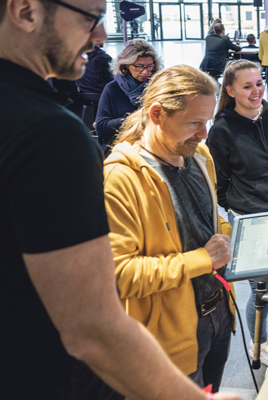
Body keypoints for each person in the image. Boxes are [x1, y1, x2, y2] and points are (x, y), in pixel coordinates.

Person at [0, 0, 240, 397]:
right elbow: (94, 324)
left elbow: (210, 216)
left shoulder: (200, 156)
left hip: (210, 315)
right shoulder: (50, 136)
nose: (100, 36)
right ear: (25, 12)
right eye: (91, 17)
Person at [104, 64, 238, 392]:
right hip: (169, 336)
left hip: (219, 311)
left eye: (206, 121)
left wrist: (232, 235)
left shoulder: (200, 156)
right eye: (194, 123)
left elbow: (210, 217)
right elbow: (122, 276)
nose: (204, 133)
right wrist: (202, 260)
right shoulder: (121, 179)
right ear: (157, 114)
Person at [206, 60, 268, 367]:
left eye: (259, 83)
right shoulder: (221, 131)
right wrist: (244, 203)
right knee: (263, 292)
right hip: (251, 220)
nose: (256, 91)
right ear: (231, 90)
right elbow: (219, 184)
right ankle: (261, 345)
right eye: (247, 86)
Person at [96, 39, 161, 151]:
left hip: (152, 147)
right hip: (121, 148)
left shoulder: (157, 86)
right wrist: (137, 119)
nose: (145, 72)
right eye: (139, 66)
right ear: (126, 65)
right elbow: (101, 127)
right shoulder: (112, 88)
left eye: (149, 66)